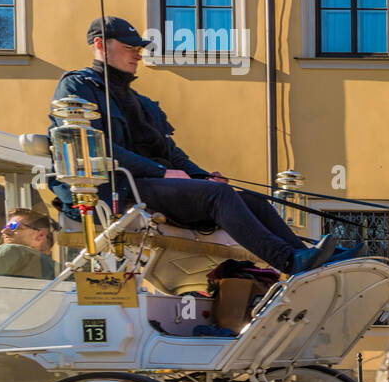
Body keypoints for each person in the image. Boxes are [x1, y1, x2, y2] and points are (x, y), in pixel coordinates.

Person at [48, 16, 349, 275]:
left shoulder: (138, 101)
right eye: (129, 47)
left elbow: (172, 153)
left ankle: (311, 260)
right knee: (217, 196)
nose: (137, 54)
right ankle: (288, 260)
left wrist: (203, 176)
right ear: (100, 45)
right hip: (119, 186)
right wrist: (162, 172)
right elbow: (95, 148)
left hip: (153, 182)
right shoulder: (78, 87)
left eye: (139, 49)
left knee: (251, 200)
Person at [0, 208, 57, 280]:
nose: (3, 231)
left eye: (14, 226)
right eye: (5, 227)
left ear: (40, 235)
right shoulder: (57, 269)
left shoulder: (13, 250)